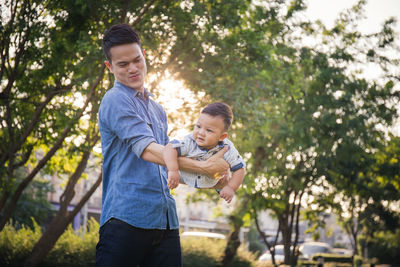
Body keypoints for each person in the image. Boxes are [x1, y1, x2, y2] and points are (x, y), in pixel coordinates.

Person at [96, 23, 229, 267]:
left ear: (144, 56)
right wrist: (205, 167)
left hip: (166, 221)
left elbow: (170, 163)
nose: (133, 69)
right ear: (110, 67)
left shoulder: (157, 109)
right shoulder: (114, 100)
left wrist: (213, 177)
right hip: (126, 220)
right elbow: (149, 151)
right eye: (123, 64)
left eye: (137, 60)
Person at [163, 102, 246, 203]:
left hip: (213, 182)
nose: (201, 133)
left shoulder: (227, 149)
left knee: (224, 180)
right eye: (198, 126)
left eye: (209, 130)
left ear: (221, 137)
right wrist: (173, 170)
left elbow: (240, 169)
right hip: (185, 177)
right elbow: (169, 148)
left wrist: (231, 188)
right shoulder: (190, 142)